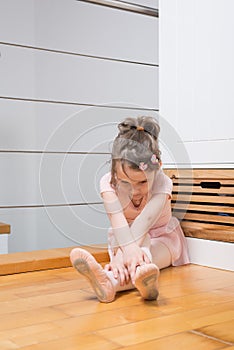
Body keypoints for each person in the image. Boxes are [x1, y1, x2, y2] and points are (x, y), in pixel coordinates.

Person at [70, 116, 189, 303]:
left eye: (142, 182)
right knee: (137, 249)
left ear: (157, 168)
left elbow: (144, 224)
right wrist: (122, 252)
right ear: (114, 173)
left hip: (163, 238)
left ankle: (111, 282)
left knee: (147, 241)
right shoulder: (107, 183)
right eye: (125, 182)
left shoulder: (163, 182)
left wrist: (120, 257)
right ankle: (140, 277)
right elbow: (118, 223)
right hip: (123, 236)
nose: (134, 190)